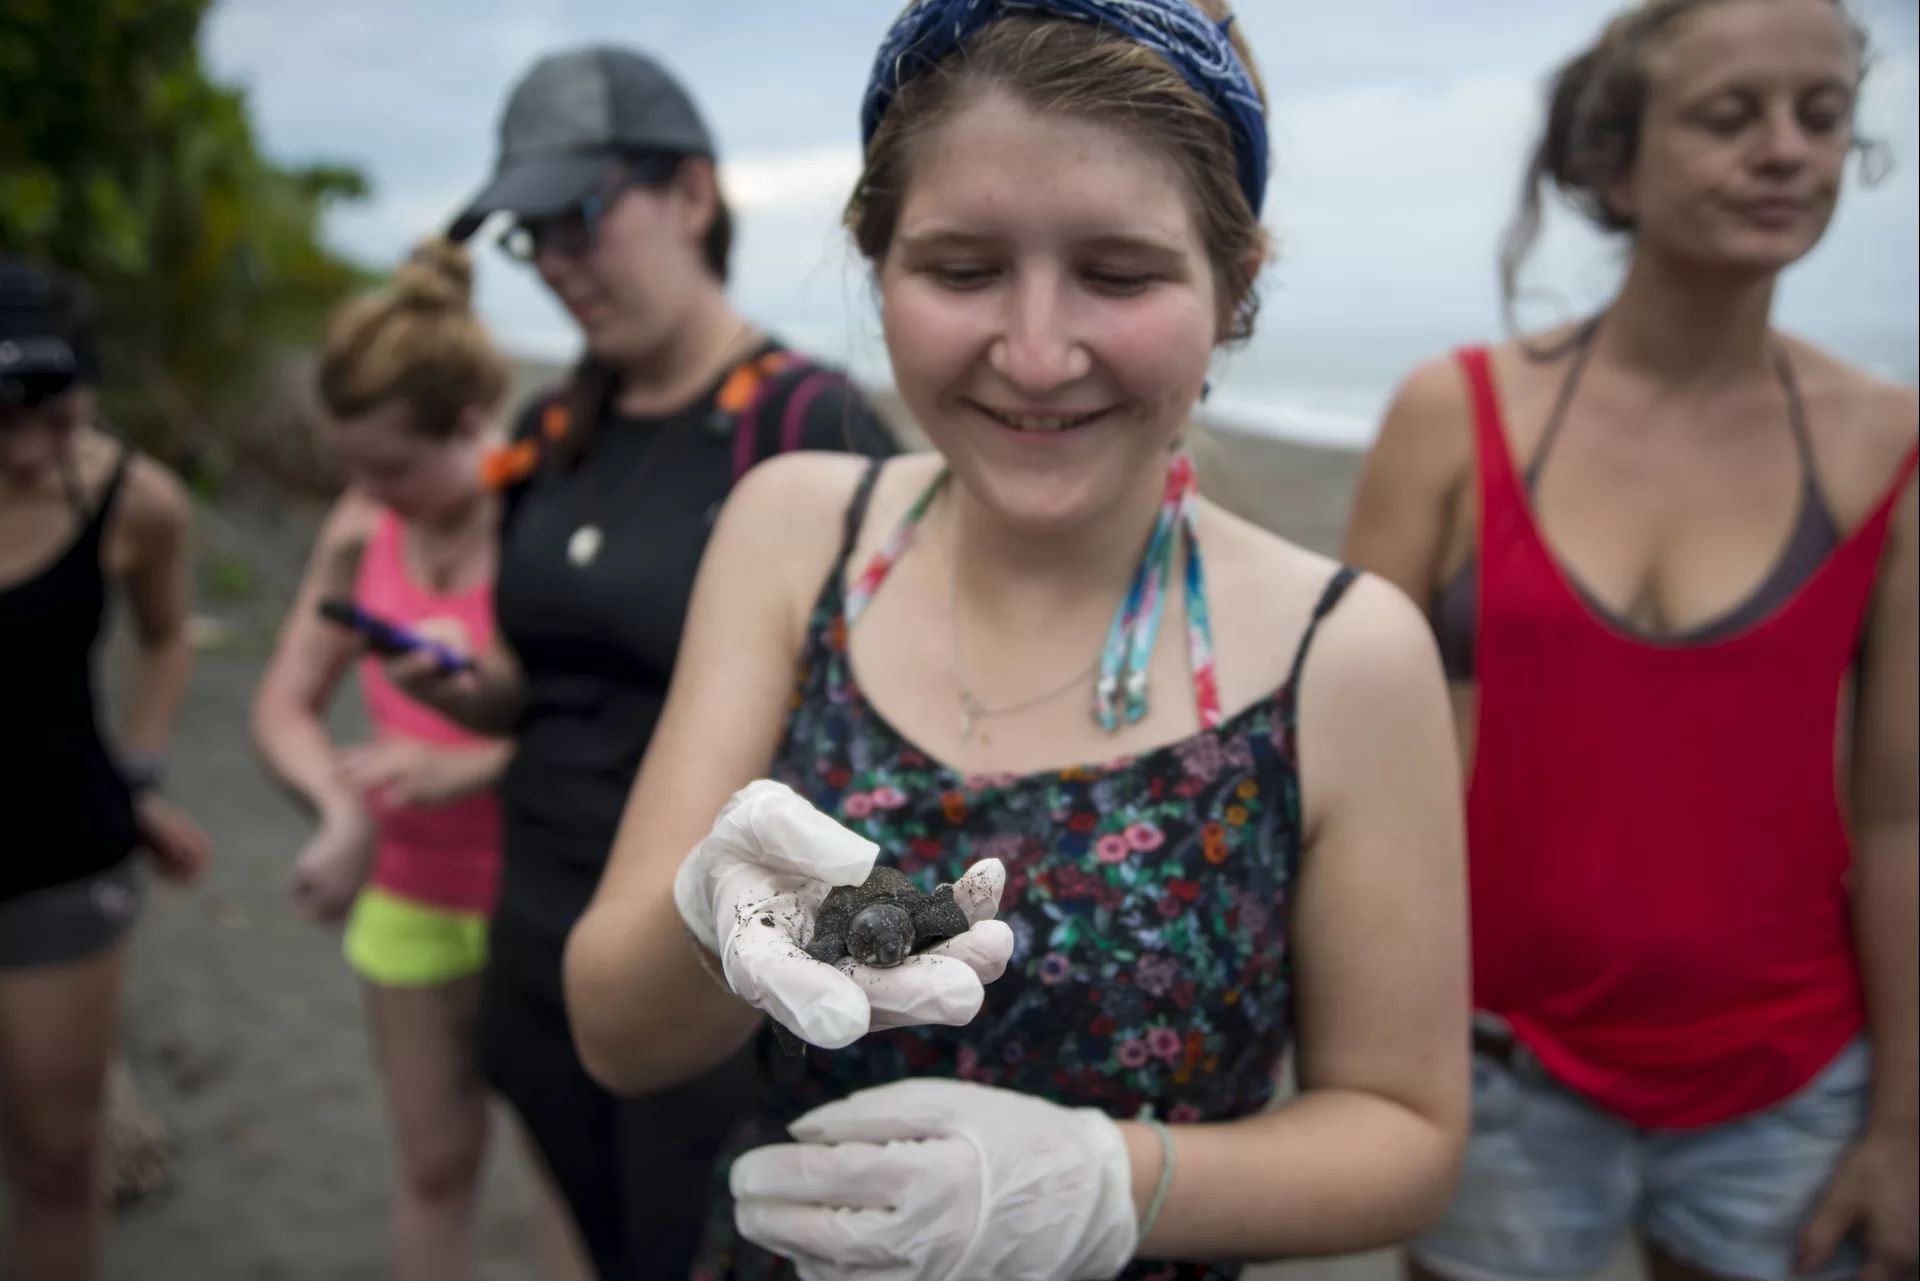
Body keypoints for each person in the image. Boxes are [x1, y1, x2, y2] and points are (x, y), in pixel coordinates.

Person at [553, 3, 1470, 1278]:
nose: (1036, 355)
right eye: (963, 269)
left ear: (1236, 286)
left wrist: (1111, 1185)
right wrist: (707, 926)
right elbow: (617, 1035)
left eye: (1120, 273)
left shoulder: (1347, 651)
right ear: (876, 266)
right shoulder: (794, 534)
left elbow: (1409, 1135)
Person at [1341, 2, 1919, 1279]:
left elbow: (1899, 812)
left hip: (1788, 1080)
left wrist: (1907, 1126)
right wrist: (1358, 1054)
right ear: (1615, 160)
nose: (1788, 151)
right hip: (1493, 1062)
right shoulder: (1457, 416)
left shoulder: (1888, 444)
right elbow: (1336, 764)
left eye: (1822, 116)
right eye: (1730, 116)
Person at [394, 45, 898, 1279]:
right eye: (532, 238)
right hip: (535, 943)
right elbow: (542, 679)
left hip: (714, 988)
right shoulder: (553, 426)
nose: (560, 262)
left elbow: (890, 724)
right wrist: (478, 695)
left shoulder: (809, 427)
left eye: (579, 216)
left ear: (691, 197)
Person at [249, 240, 585, 1281]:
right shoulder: (364, 527)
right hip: (409, 895)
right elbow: (283, 704)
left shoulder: (542, 516)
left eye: (392, 466)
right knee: (434, 1165)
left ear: (467, 426)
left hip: (540, 895)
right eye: (352, 466)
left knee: (569, 1173)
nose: (368, 493)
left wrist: (474, 766)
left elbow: (595, 721)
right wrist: (338, 812)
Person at [1, 257, 210, 1280]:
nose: (36, 446)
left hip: (64, 857)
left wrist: (138, 771)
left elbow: (169, 638)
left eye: (58, 409)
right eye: (5, 417)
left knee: (56, 1154)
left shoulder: (136, 501)